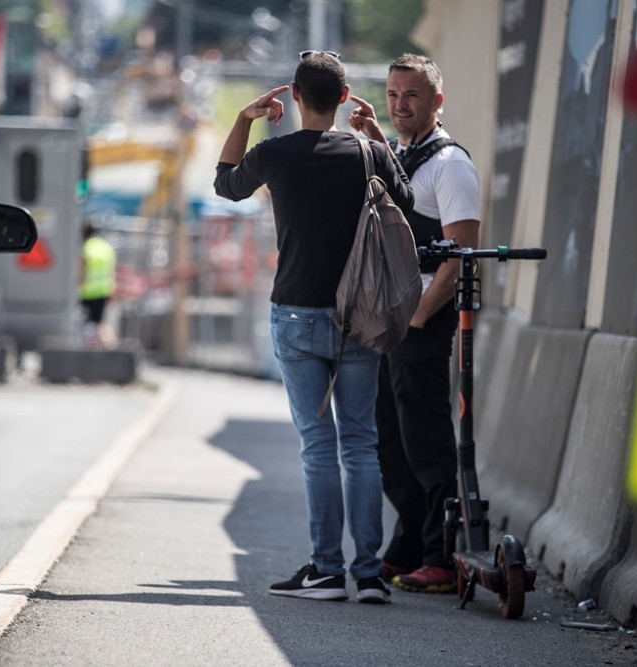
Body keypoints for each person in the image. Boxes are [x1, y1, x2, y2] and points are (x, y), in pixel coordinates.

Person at [214, 51, 413, 604]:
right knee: (362, 445)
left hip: (298, 314)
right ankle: (369, 574)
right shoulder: (369, 153)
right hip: (362, 313)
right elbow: (410, 200)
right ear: (346, 97)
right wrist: (376, 134)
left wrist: (244, 119)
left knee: (317, 446)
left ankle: (327, 570)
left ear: (295, 97)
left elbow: (226, 185)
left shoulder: (276, 154)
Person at [348, 53, 481, 593]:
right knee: (388, 440)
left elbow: (463, 250)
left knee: (425, 440)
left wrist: (422, 318)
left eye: (413, 96)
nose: (401, 105)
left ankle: (441, 556)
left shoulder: (451, 165)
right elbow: (401, 182)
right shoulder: (408, 151)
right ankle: (406, 548)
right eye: (394, 94)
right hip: (392, 318)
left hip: (422, 320)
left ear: (437, 102)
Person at [78, 221, 117, 347]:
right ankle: (107, 345)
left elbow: (83, 268)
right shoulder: (106, 247)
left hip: (87, 292)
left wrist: (77, 284)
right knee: (99, 322)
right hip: (104, 290)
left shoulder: (87, 247)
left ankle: (88, 345)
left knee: (84, 323)